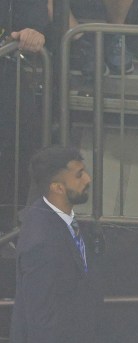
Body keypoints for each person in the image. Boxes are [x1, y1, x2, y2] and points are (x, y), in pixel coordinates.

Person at [8, 146, 102, 343]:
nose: (88, 179)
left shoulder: (59, 222)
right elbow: (41, 315)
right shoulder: (41, 237)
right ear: (57, 187)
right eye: (79, 175)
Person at [0, 0, 48, 228]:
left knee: (18, 142)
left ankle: (7, 224)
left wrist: (32, 32)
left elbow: (33, 24)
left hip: (6, 72)